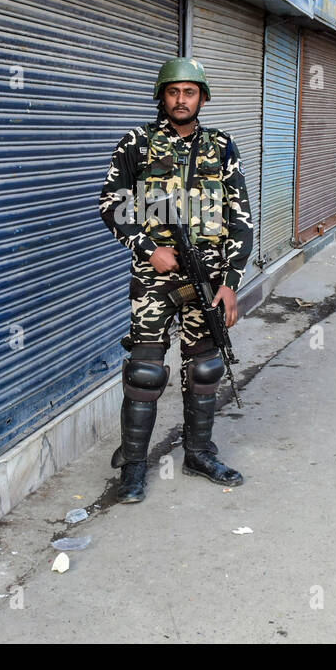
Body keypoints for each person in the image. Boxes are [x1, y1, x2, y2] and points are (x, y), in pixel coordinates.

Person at [97, 57, 253, 504]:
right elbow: (111, 203)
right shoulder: (138, 143)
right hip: (154, 277)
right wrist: (149, 249)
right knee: (145, 371)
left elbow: (240, 219)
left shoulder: (222, 146)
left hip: (208, 276)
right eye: (173, 91)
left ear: (202, 97)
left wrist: (230, 282)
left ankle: (199, 453)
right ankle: (132, 466)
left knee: (205, 367)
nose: (181, 100)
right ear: (161, 96)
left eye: (190, 92)